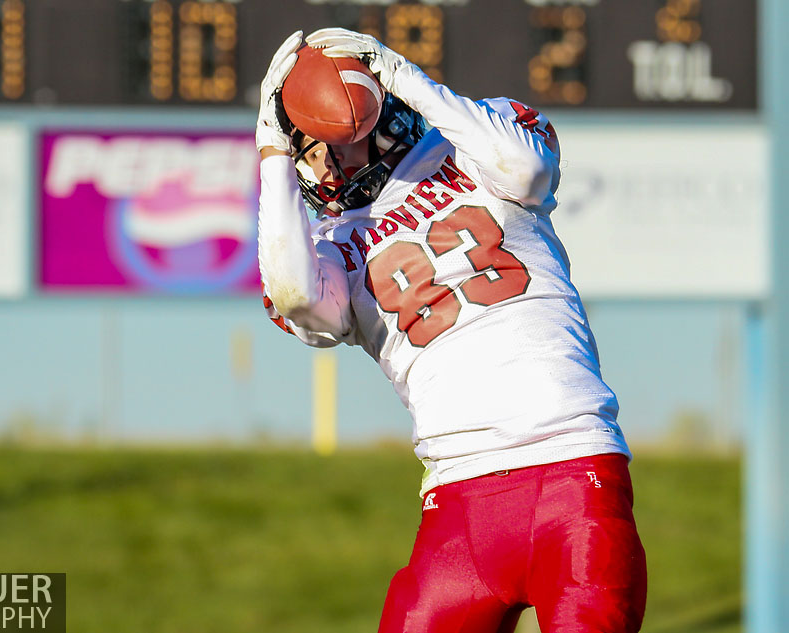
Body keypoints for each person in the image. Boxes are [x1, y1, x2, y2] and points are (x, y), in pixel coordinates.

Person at [255, 28, 647, 633]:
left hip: (573, 468)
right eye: (312, 148)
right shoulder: (330, 246)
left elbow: (525, 165)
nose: (336, 156)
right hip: (459, 501)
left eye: (344, 134)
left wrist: (400, 72)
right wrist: (270, 150)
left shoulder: (472, 142)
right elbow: (296, 296)